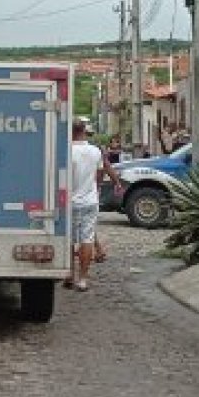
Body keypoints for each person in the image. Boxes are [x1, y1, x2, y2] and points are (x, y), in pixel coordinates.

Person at [68, 120, 122, 292]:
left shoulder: (65, 150)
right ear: (84, 131)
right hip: (90, 201)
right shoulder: (95, 151)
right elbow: (100, 174)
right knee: (87, 239)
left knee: (68, 240)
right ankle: (83, 279)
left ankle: (69, 275)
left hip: (69, 202)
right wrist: (97, 190)